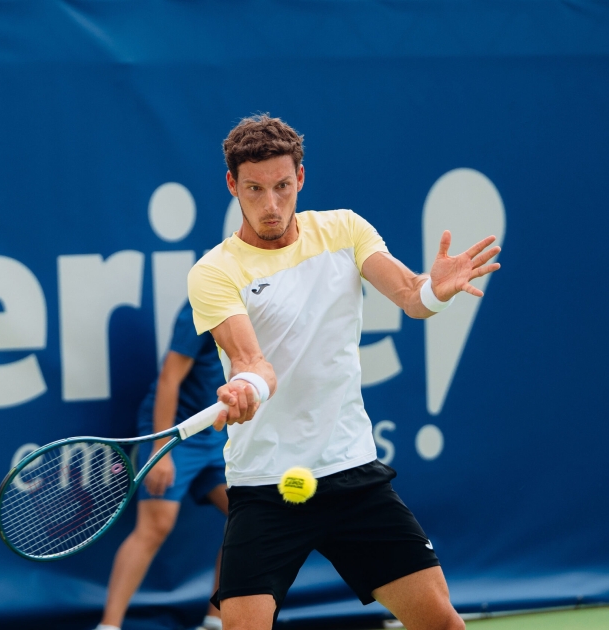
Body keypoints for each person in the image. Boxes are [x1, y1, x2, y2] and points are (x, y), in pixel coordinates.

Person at [187, 114, 501, 630]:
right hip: (265, 484)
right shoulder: (215, 271)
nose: (271, 204)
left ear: (301, 178)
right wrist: (245, 385)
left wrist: (434, 293)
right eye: (255, 189)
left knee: (441, 622)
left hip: (351, 474)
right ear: (232, 186)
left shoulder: (345, 229)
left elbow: (409, 295)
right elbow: (251, 361)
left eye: (283, 186)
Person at [95, 300, 229, 630]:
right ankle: (109, 627)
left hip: (217, 429)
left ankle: (215, 622)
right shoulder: (209, 298)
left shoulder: (271, 299)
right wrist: (161, 450)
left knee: (249, 518)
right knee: (155, 527)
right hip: (176, 429)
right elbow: (170, 376)